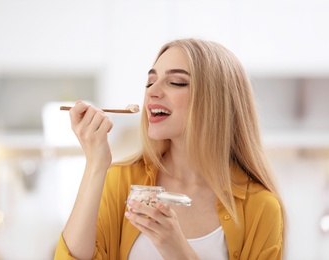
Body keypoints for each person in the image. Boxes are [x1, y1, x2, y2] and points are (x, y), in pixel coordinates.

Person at [54, 38, 285, 260]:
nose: (152, 91)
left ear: (216, 100)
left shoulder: (261, 208)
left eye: (176, 82)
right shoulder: (120, 182)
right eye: (150, 82)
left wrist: (179, 252)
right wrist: (96, 163)